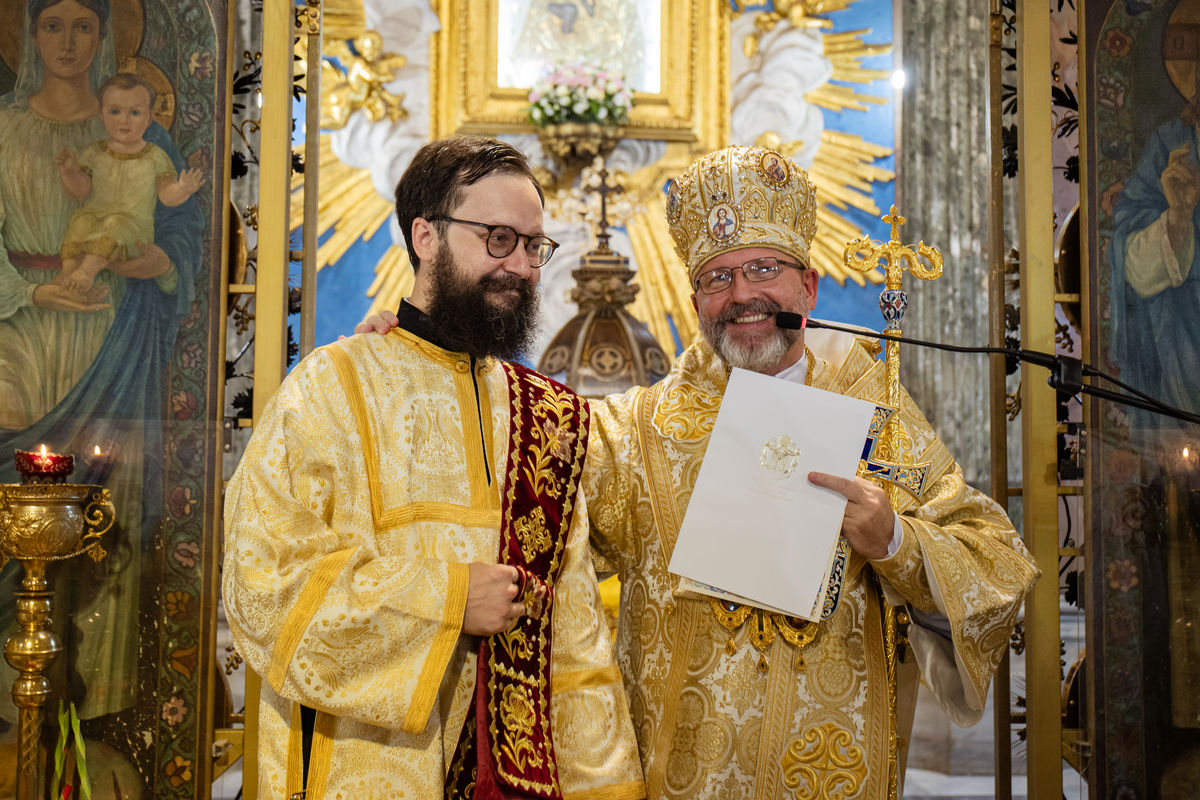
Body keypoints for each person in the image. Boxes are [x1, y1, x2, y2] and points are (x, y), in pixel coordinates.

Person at [359, 145, 1039, 799]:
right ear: (694, 302)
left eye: (764, 269)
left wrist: (894, 540)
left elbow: (996, 564)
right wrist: (421, 363)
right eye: (718, 277)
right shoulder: (637, 432)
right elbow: (512, 467)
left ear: (809, 285)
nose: (742, 294)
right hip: (678, 778)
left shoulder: (876, 418)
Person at [223, 136, 645, 798]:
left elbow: (577, 648)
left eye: (535, 246)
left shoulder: (546, 417)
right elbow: (265, 587)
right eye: (498, 238)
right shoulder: (330, 390)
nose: (522, 267)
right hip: (362, 770)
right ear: (426, 235)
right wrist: (447, 600)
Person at [0, 0, 202, 724]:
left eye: (84, 25)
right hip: (18, 335)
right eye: (51, 25)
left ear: (109, 34)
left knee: (108, 506)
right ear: (26, 33)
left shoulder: (139, 134)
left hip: (116, 343)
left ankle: (90, 720)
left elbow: (185, 238)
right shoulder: (5, 127)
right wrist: (32, 287)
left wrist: (159, 260)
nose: (67, 41)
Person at [56, 72, 204, 293]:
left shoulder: (155, 156)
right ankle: (67, 273)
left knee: (115, 222)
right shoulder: (93, 153)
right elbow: (80, 191)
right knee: (80, 223)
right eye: (115, 111)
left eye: (135, 112)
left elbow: (166, 195)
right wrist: (68, 173)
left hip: (133, 229)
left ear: (149, 117)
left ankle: (86, 271)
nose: (124, 120)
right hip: (95, 220)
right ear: (102, 115)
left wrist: (182, 189)